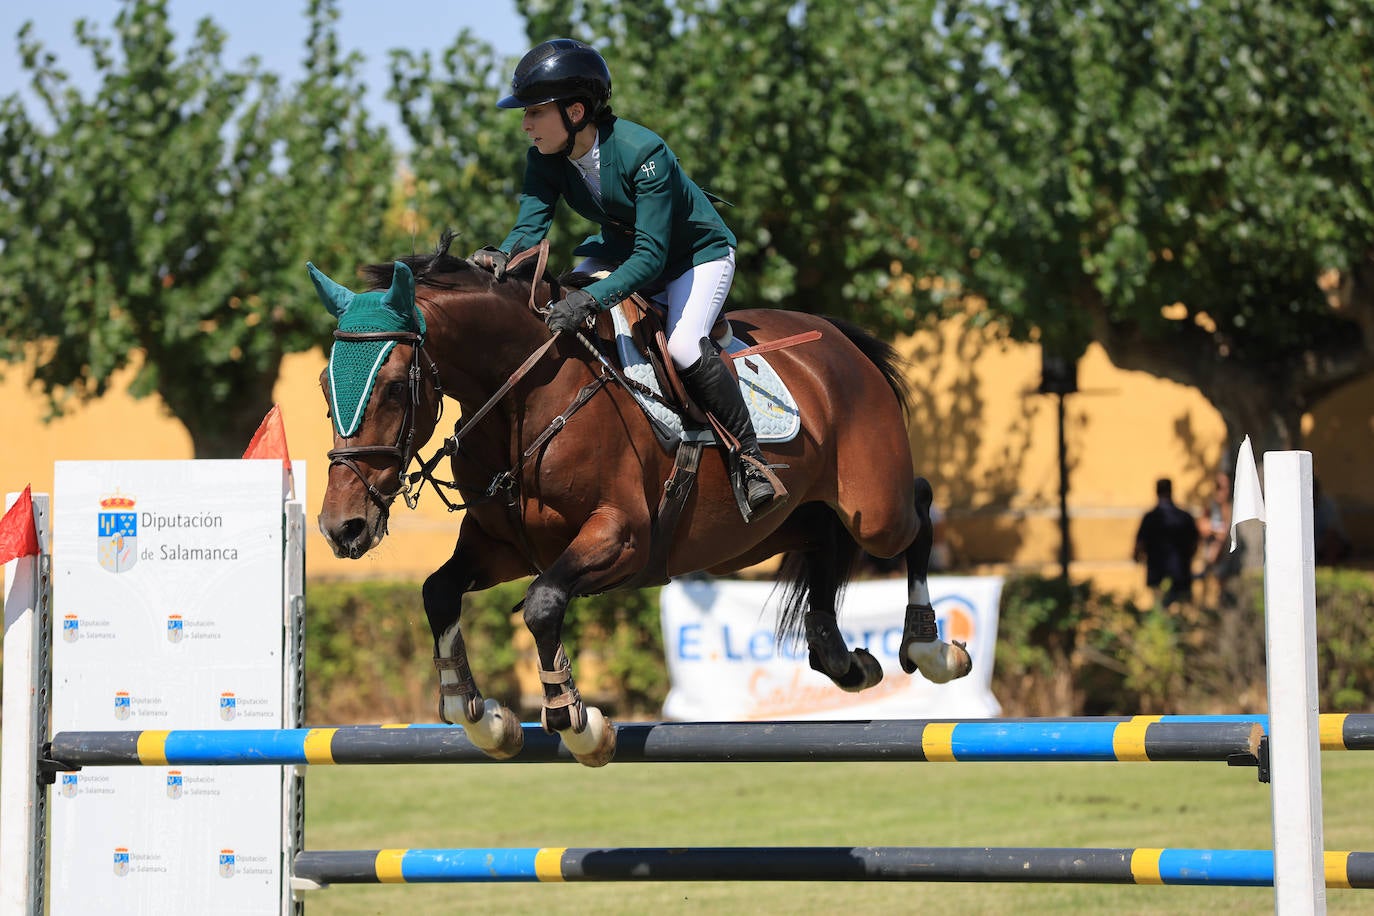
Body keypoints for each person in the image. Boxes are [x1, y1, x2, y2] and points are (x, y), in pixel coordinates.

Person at [471, 38, 777, 519]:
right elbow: (529, 229)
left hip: (695, 256)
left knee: (682, 345)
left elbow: (653, 257)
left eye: (534, 112)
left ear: (575, 111)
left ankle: (750, 459)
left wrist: (592, 300)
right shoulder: (544, 159)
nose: (525, 124)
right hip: (620, 253)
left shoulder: (643, 151)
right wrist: (500, 258)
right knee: (571, 301)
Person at [1134, 478, 1199, 606]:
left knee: (1161, 611)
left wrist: (1137, 557)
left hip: (1157, 574)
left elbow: (1140, 544)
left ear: (1156, 492)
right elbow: (1195, 543)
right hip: (1181, 573)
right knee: (1181, 615)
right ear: (1171, 491)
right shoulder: (1184, 517)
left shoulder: (1150, 518)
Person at [1314, 476, 1351, 565]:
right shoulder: (1299, 504)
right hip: (1314, 545)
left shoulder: (1327, 504)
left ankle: (1329, 566)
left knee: (1332, 540)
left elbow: (1331, 531)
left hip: (1331, 543)